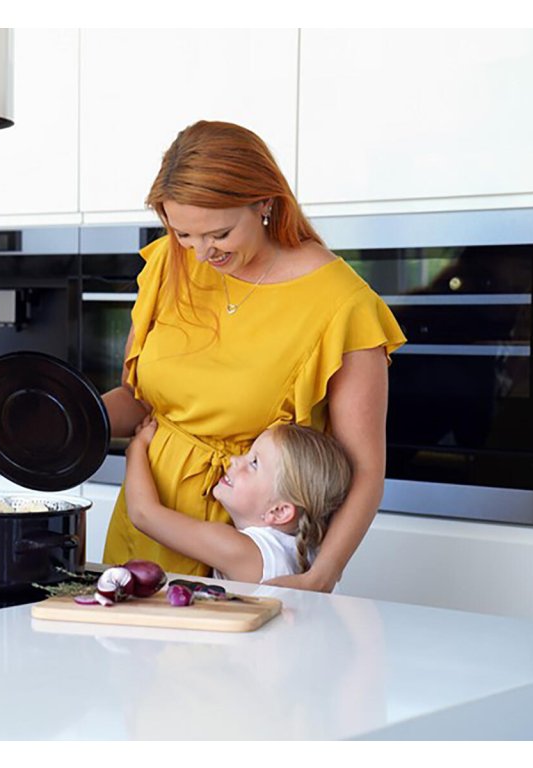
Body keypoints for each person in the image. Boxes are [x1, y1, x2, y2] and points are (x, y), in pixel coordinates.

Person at [101, 120, 406, 590]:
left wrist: (321, 577)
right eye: (183, 234)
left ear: (264, 202)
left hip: (243, 555)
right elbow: (140, 400)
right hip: (143, 535)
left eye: (219, 233)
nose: (199, 254)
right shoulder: (167, 262)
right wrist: (67, 420)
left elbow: (364, 470)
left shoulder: (342, 305)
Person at [125, 418, 352, 582]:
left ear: (279, 511)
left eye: (254, 463)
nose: (234, 460)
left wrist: (137, 448)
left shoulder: (244, 551)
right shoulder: (313, 550)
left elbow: (143, 514)